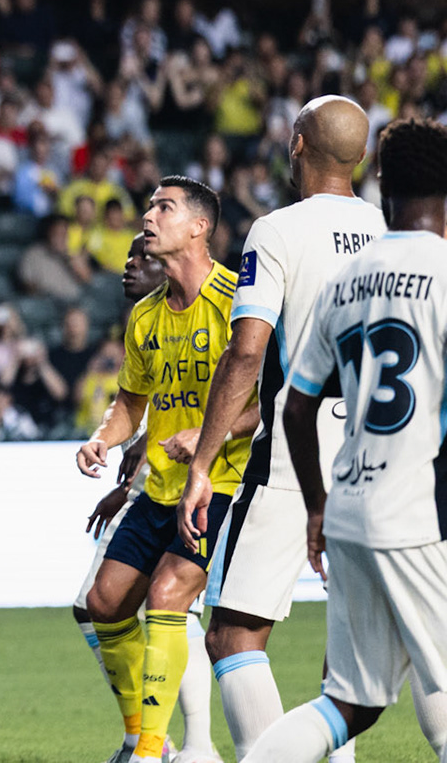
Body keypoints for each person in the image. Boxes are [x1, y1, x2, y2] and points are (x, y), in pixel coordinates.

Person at [174, 96, 383, 759]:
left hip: (298, 457)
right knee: (351, 660)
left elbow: (247, 350)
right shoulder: (395, 232)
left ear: (297, 145)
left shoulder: (277, 230)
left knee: (232, 636)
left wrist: (204, 461)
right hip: (381, 455)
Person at [244, 117, 447, 760]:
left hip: (351, 507)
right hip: (421, 512)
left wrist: (317, 505)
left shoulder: (349, 279)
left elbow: (296, 408)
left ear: (382, 185)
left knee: (348, 703)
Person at [77, 178, 248, 763]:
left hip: (223, 482)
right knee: (102, 603)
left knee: (170, 595)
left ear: (199, 227)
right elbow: (129, 402)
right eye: (150, 206)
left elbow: (272, 397)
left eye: (163, 207)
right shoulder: (146, 317)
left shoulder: (236, 299)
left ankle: (154, 752)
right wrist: (103, 438)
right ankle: (140, 736)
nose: (148, 216)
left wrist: (211, 432)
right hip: (160, 488)